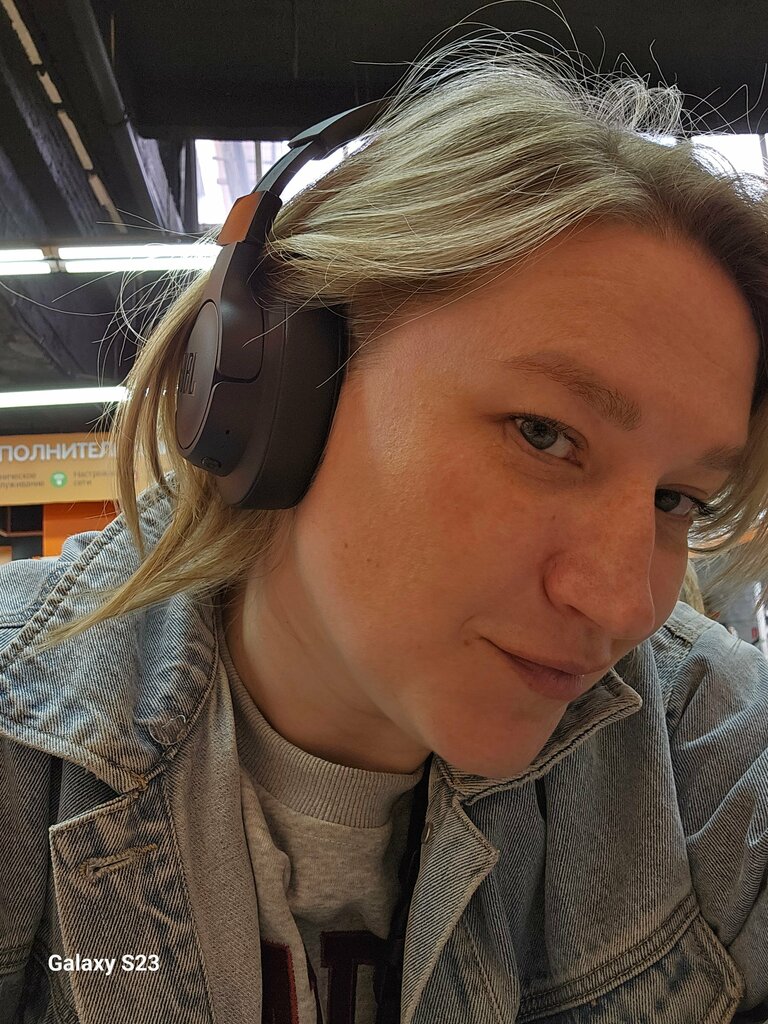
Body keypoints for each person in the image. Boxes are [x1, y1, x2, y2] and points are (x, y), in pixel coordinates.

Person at [2, 31, 768, 1024]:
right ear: (284, 383)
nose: (622, 605)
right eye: (544, 434)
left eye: (677, 500)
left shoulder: (703, 756)